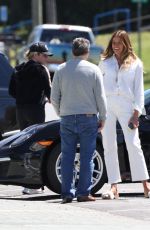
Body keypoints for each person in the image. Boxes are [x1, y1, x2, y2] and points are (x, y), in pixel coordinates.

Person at [51, 37, 107, 204]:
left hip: (67, 117)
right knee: (86, 157)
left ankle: (67, 193)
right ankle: (83, 192)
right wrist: (103, 117)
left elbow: (54, 97)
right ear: (87, 51)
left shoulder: (61, 69)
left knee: (67, 156)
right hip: (88, 117)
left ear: (72, 51)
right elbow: (101, 97)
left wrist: (61, 112)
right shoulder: (93, 70)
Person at [98, 30, 150, 199]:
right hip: (107, 106)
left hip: (127, 106)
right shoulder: (105, 62)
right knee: (109, 145)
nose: (116, 46)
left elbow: (139, 91)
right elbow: (98, 87)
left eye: (119, 43)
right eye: (113, 43)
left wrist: (136, 113)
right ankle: (113, 186)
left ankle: (145, 183)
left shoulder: (136, 63)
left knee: (133, 144)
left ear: (126, 43)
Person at [9, 42, 53, 195]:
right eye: (45, 55)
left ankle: (27, 183)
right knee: (37, 146)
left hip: (21, 110)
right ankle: (34, 185)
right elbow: (49, 92)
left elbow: (11, 91)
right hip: (36, 109)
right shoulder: (41, 70)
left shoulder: (18, 69)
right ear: (35, 54)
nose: (47, 58)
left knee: (26, 145)